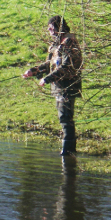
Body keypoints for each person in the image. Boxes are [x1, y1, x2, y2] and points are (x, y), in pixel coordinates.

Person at [22, 16, 83, 156]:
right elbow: (49, 65)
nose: (49, 31)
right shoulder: (56, 44)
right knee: (63, 117)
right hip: (58, 87)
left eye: (51, 28)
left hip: (68, 85)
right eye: (48, 29)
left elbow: (68, 67)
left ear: (59, 27)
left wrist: (47, 79)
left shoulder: (69, 42)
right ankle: (68, 150)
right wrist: (33, 71)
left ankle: (68, 150)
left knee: (65, 117)